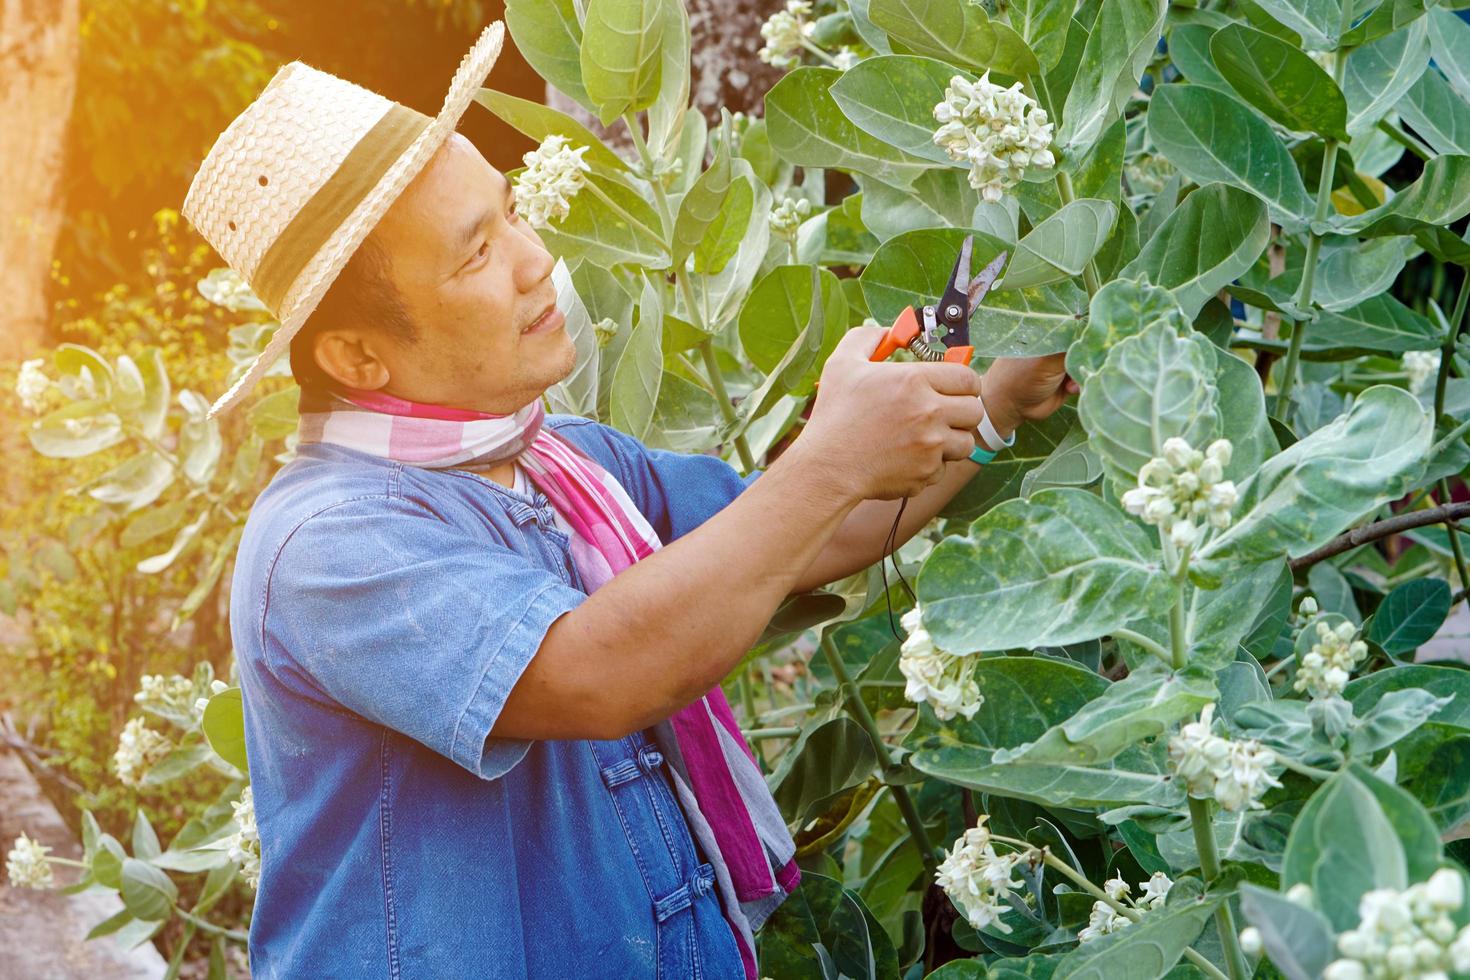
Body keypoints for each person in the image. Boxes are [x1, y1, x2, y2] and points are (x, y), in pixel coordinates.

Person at [179, 20, 1075, 980]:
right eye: (476, 254)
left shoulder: (565, 459)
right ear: (357, 356)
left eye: (512, 213)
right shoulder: (323, 544)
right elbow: (599, 671)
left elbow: (805, 531)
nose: (535, 263)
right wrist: (830, 459)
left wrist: (995, 401)